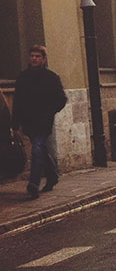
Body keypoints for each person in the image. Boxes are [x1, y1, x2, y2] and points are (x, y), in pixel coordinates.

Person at [12, 45, 67, 199]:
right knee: (41, 149)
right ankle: (53, 176)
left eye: (37, 56)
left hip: (44, 121)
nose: (34, 59)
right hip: (29, 121)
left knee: (37, 148)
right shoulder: (22, 77)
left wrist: (49, 112)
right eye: (32, 56)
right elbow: (17, 101)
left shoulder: (51, 77)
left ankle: (34, 183)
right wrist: (15, 123)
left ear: (43, 59)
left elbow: (61, 99)